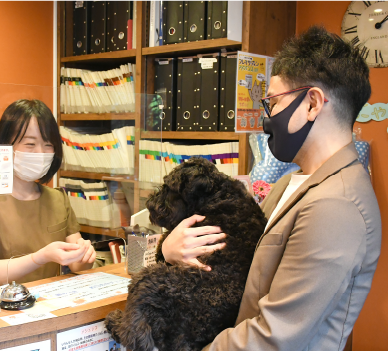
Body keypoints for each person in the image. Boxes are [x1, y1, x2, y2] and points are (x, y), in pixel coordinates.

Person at [161, 26, 382, 350]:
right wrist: (169, 252)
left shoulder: (337, 206)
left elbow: (274, 337)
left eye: (274, 103)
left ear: (312, 104)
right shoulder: (289, 184)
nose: (268, 118)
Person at [0, 99, 96, 285]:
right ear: (6, 146)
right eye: (30, 144)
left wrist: (84, 255)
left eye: (48, 145)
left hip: (51, 304)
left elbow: (77, 266)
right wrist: (39, 257)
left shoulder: (58, 199)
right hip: (4, 307)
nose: (41, 153)